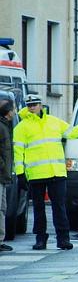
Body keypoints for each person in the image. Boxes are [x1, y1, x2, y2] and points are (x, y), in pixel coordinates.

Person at [13, 93, 78, 250]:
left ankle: (63, 239)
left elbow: (73, 132)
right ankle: (40, 239)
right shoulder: (21, 127)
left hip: (57, 173)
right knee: (38, 208)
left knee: (59, 207)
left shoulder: (53, 122)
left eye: (35, 104)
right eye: (30, 105)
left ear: (41, 105)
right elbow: (18, 152)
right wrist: (20, 173)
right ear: (26, 107)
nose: (32, 107)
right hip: (36, 174)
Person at [0, 100, 14, 251]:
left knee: (2, 208)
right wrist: (4, 168)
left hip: (3, 176)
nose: (15, 112)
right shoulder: (2, 126)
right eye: (13, 109)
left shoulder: (5, 125)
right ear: (8, 112)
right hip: (1, 174)